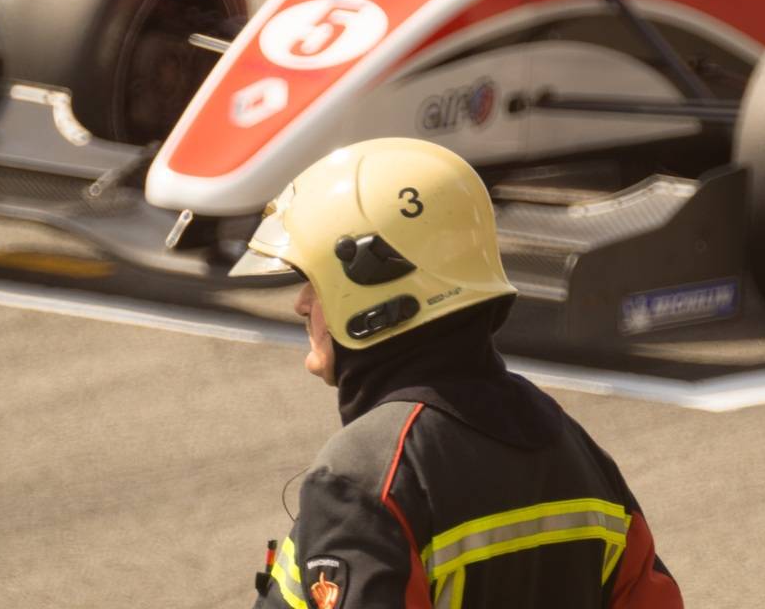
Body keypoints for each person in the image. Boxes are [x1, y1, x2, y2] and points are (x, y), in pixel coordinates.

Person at [231, 138, 682, 609]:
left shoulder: (362, 477)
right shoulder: (574, 450)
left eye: (314, 280)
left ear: (373, 292)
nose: (301, 303)